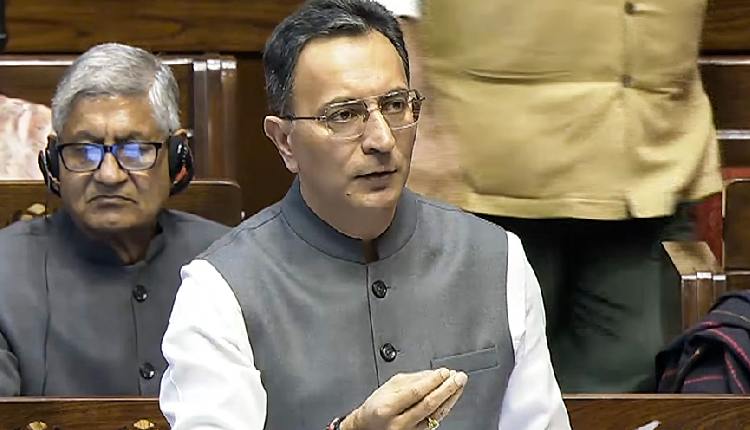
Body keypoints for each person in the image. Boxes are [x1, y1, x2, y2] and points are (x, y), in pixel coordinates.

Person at [160, 1, 570, 429]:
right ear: (284, 141)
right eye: (343, 115)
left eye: (395, 105)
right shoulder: (221, 290)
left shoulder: (497, 259)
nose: (381, 139)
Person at [374, 0, 722, 392]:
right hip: (484, 176)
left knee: (636, 397)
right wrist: (409, 115)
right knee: (471, 394)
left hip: (656, 165)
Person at [0, 43, 229, 396]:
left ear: (176, 156)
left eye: (135, 150)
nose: (109, 175)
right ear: (53, 160)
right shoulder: (6, 270)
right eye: (84, 150)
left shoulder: (232, 261)